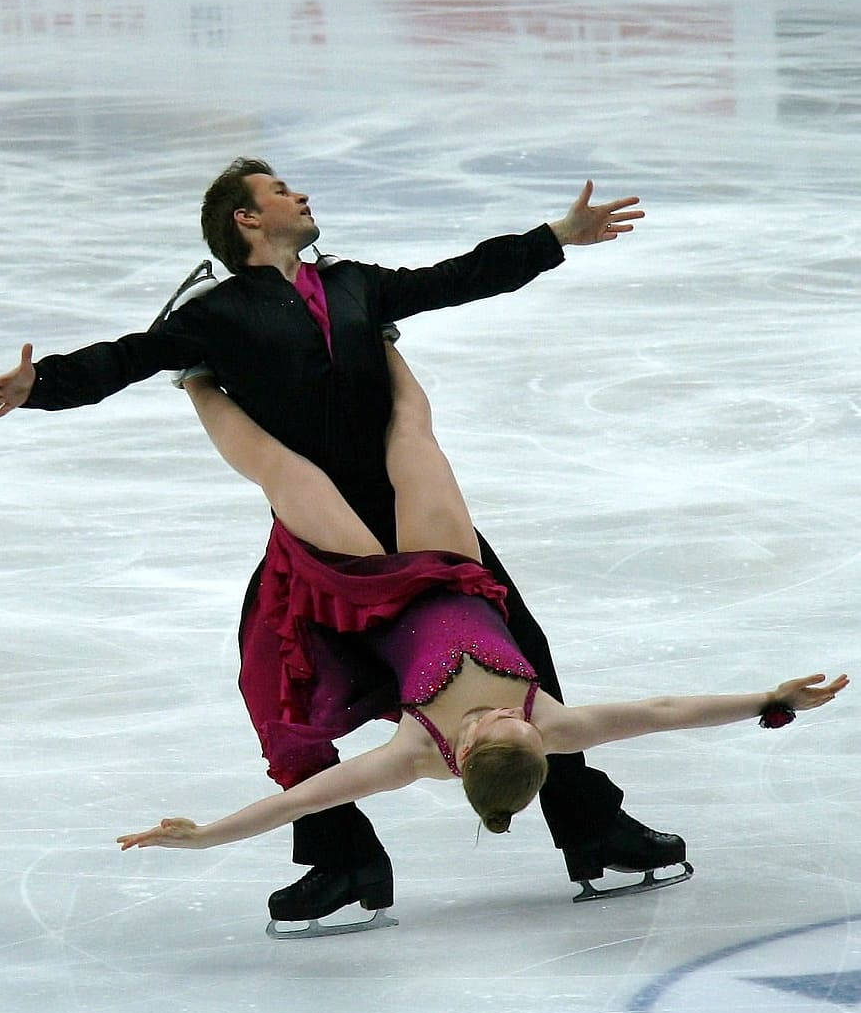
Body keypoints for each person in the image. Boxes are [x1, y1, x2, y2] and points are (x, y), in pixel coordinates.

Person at [0, 156, 688, 926]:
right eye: (279, 190)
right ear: (246, 220)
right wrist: (39, 384)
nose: (301, 193)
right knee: (276, 687)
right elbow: (125, 358)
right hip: (321, 532)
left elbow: (453, 278)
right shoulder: (216, 315)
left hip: (413, 512)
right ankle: (342, 858)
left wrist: (554, 238)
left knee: (525, 658)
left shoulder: (353, 283)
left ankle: (590, 826)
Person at [116, 346, 848, 906]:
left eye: (490, 723)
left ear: (460, 752)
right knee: (414, 434)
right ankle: (379, 333)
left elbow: (304, 798)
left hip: (370, 587)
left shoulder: (412, 754)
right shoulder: (551, 725)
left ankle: (194, 378)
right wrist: (767, 698)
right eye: (516, 721)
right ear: (539, 738)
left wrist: (205, 834)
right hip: (452, 565)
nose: (502, 711)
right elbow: (662, 713)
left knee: (284, 473)